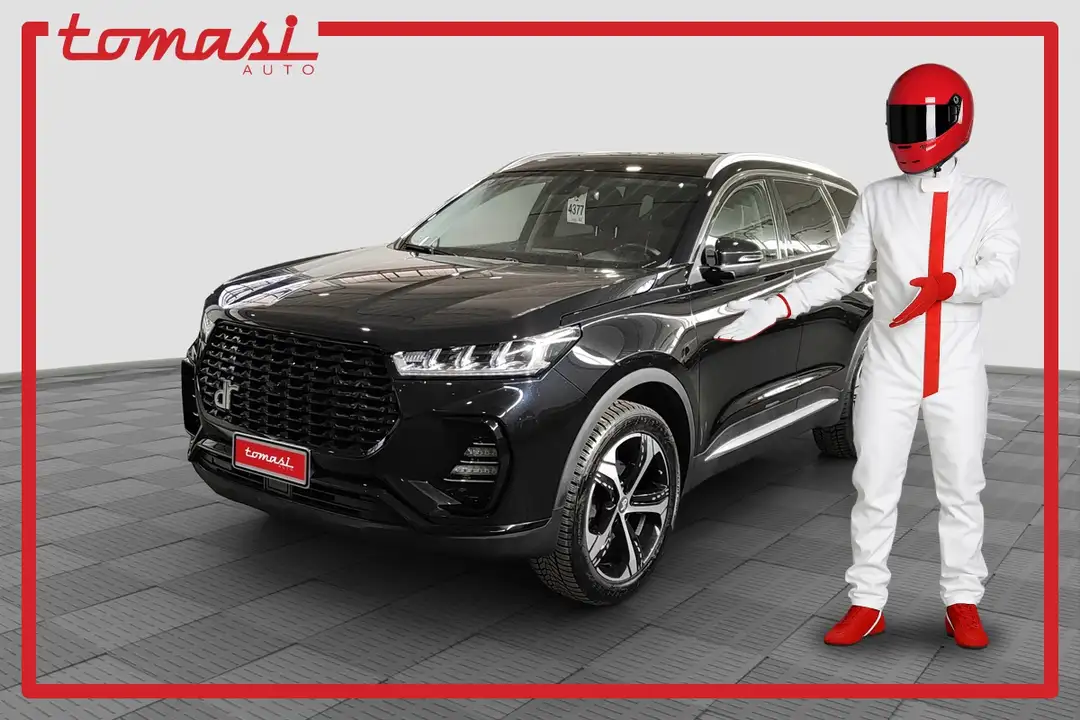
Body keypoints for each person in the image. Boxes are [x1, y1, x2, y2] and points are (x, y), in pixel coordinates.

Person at [715, 63, 1021, 650]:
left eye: (921, 122)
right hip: (890, 364)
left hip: (955, 367)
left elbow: (1002, 271)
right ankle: (867, 602)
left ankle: (962, 600)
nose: (909, 136)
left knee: (962, 488)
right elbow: (841, 273)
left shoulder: (990, 198)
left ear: (956, 119)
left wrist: (949, 284)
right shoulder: (878, 198)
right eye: (901, 122)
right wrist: (778, 304)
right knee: (874, 486)